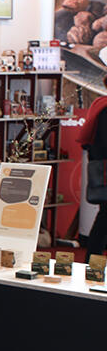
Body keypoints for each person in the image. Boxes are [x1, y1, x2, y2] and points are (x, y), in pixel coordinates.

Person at [79, 84, 107, 255]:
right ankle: (91, 262)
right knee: (104, 219)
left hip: (103, 170)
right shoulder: (105, 109)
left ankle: (92, 261)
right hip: (105, 172)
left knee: (104, 219)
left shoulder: (101, 105)